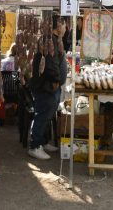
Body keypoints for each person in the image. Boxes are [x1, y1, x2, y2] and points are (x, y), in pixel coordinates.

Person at [27, 14, 67, 160]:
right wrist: (56, 80)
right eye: (64, 25)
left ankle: (42, 142)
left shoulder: (55, 40)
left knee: (47, 115)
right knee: (42, 114)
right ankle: (34, 146)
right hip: (47, 86)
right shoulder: (48, 40)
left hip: (51, 85)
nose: (65, 27)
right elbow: (51, 63)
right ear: (58, 26)